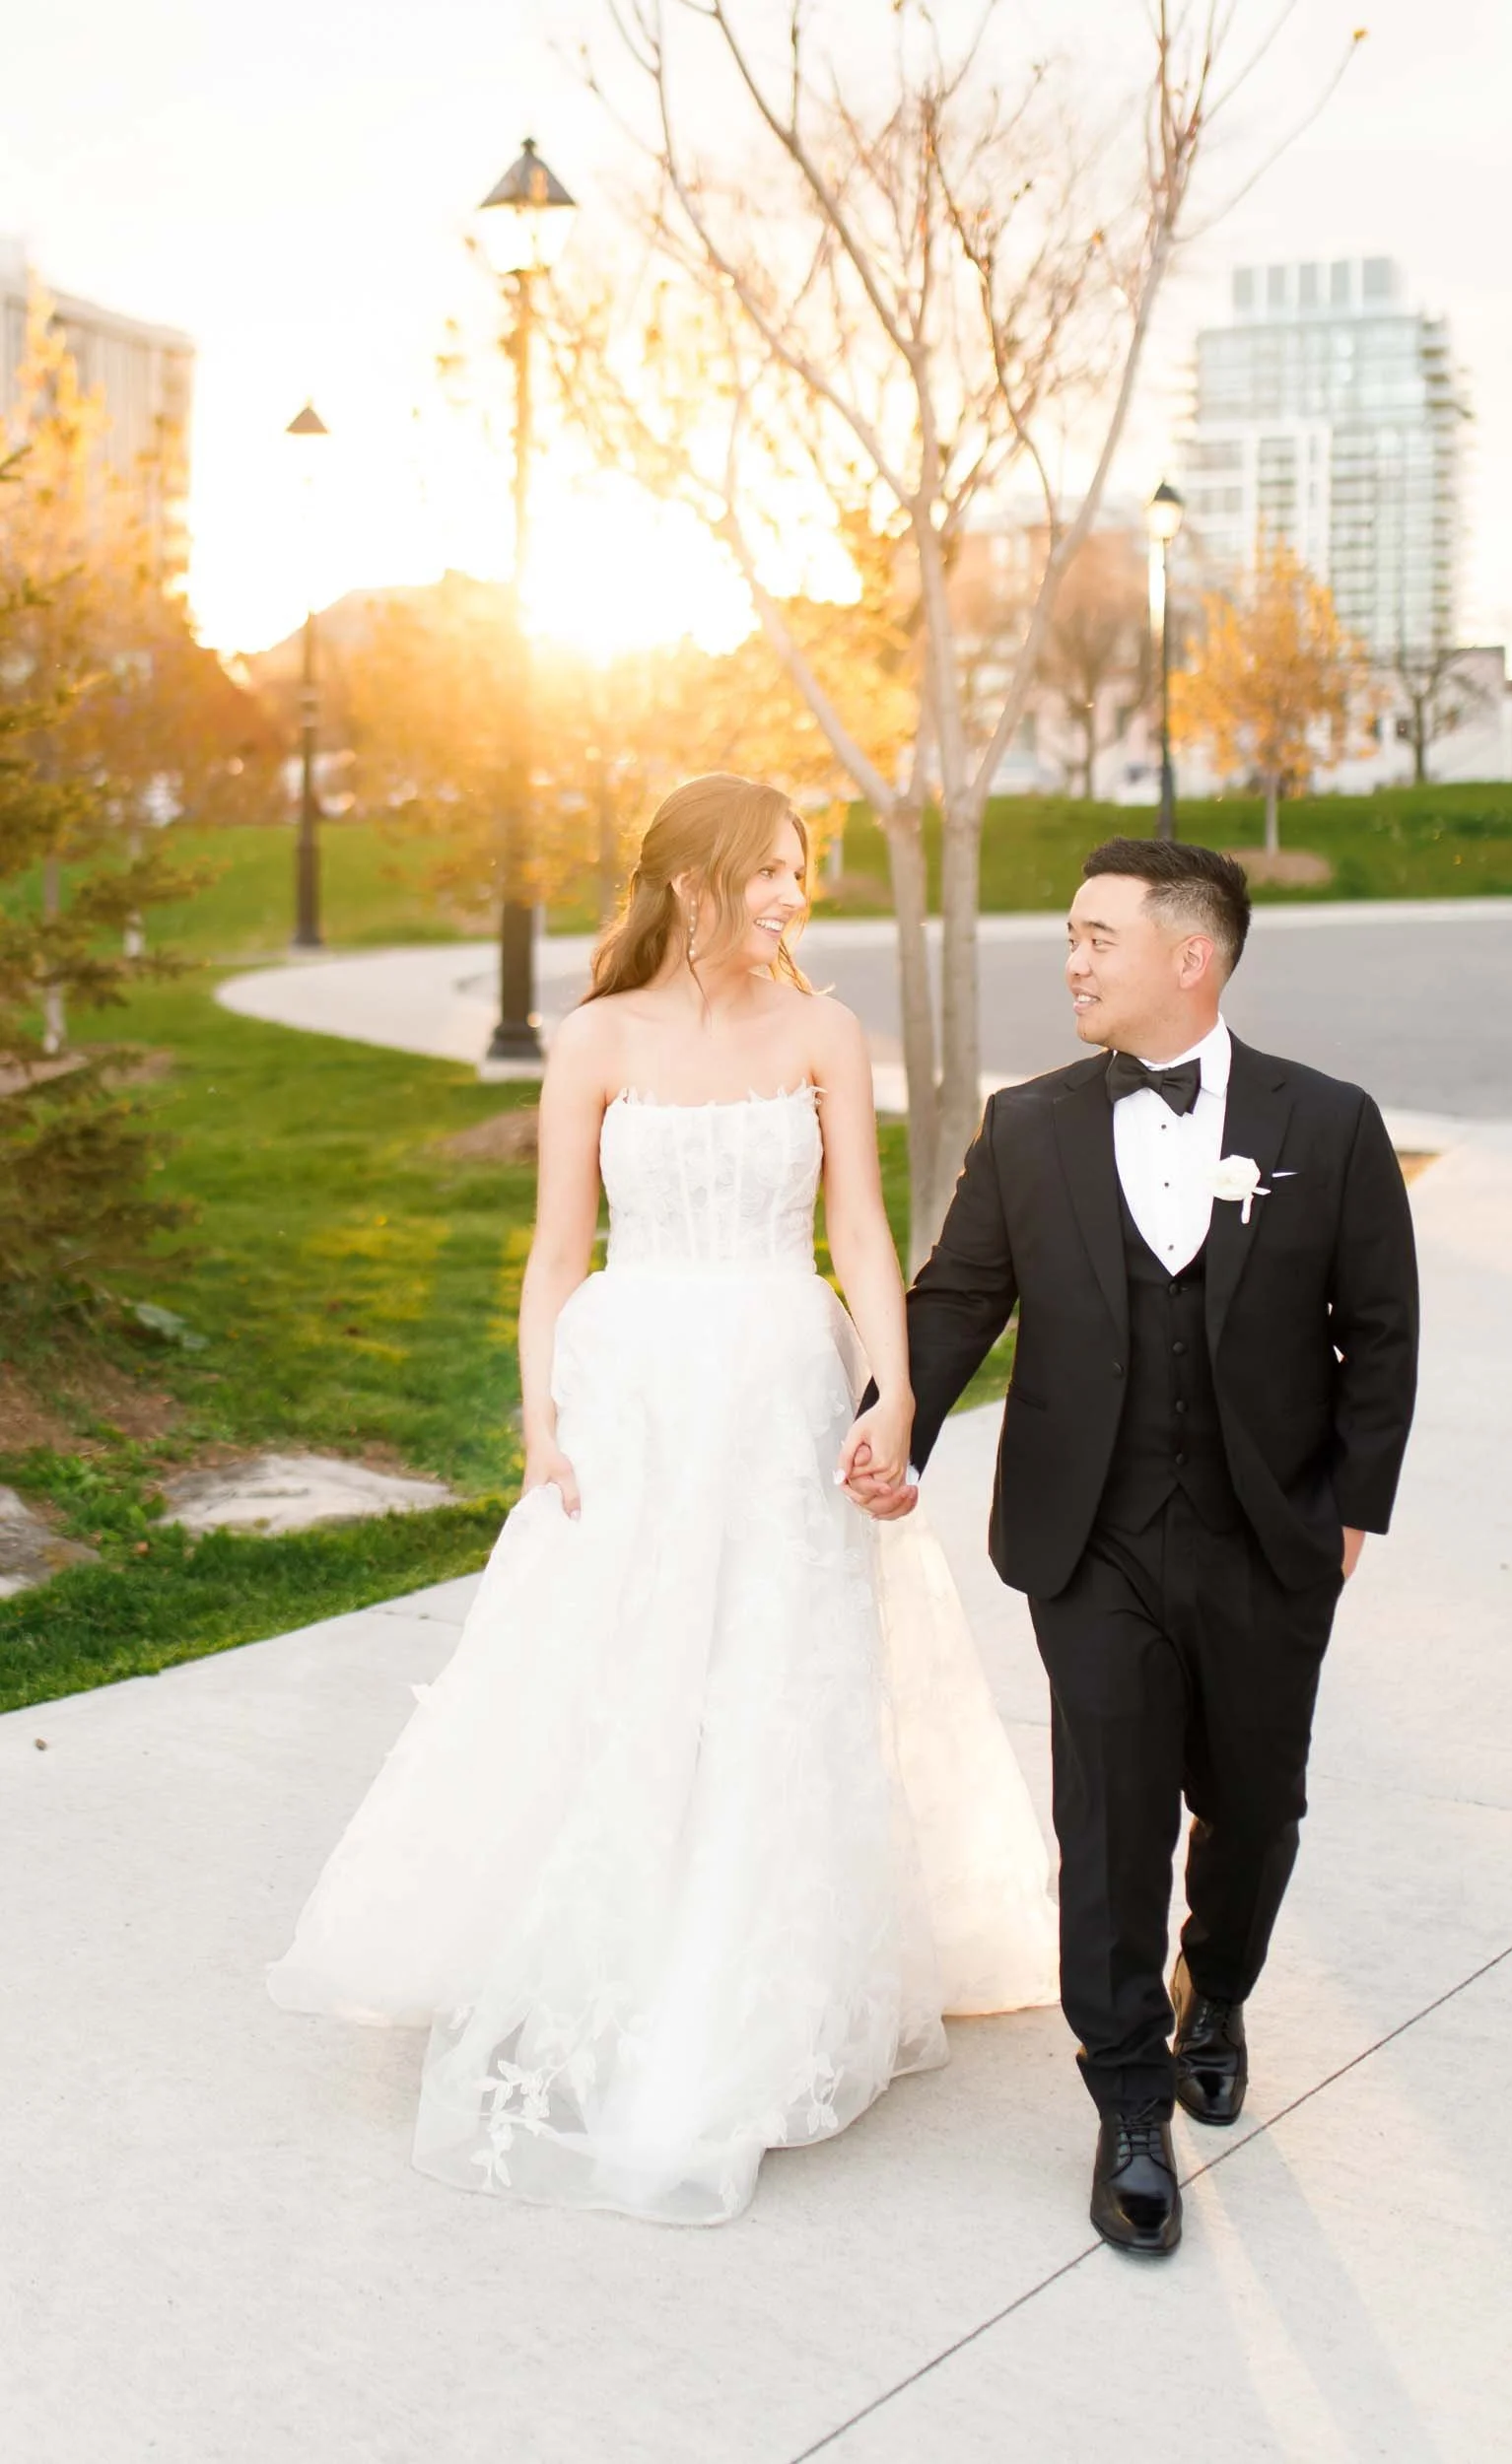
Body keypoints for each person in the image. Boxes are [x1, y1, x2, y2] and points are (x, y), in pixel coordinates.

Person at [267, 774, 1057, 2225]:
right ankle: (609, 1954)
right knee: (621, 1668)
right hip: (633, 1387)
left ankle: (753, 1982)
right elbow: (555, 1248)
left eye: (802, 874)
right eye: (771, 872)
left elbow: (859, 1228)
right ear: (693, 882)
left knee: (769, 1676)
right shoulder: (595, 1037)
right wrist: (540, 1419)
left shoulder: (822, 1031)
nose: (794, 898)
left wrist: (890, 1391)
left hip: (781, 1381)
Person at [850, 839, 1418, 2258]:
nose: (1073, 963)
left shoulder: (1328, 1121)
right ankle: (1124, 2105)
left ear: (1192, 955)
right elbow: (957, 1297)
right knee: (1106, 1821)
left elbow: (1379, 1330)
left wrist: (1352, 1506)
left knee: (1256, 1807)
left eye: (1097, 938)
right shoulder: (1027, 1125)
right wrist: (891, 1428)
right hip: (1088, 1533)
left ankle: (1211, 1992)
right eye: (1070, 936)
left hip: (1267, 1533)